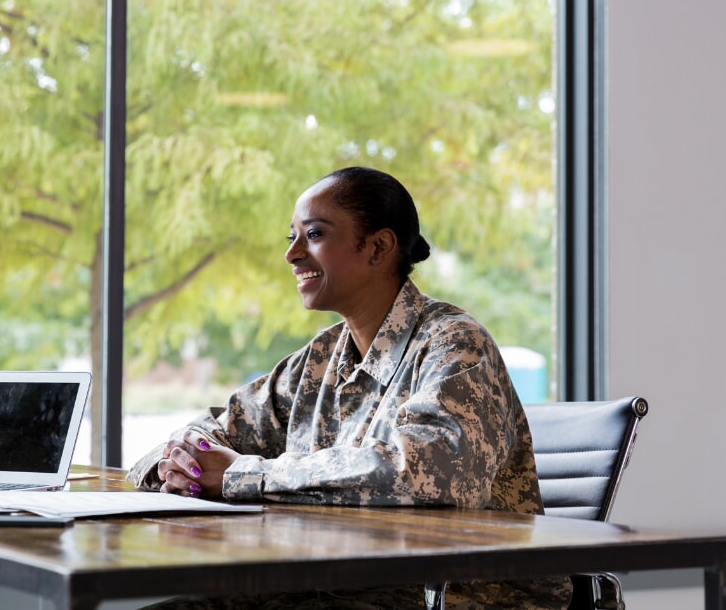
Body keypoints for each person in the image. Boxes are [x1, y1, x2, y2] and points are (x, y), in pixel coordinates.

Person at [126, 167, 570, 609]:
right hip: (336, 582)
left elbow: (427, 475)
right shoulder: (320, 358)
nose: (293, 255)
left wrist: (242, 474)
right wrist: (183, 464)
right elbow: (208, 433)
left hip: (461, 592)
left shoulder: (455, 343)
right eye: (292, 238)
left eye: (314, 235)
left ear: (378, 247)